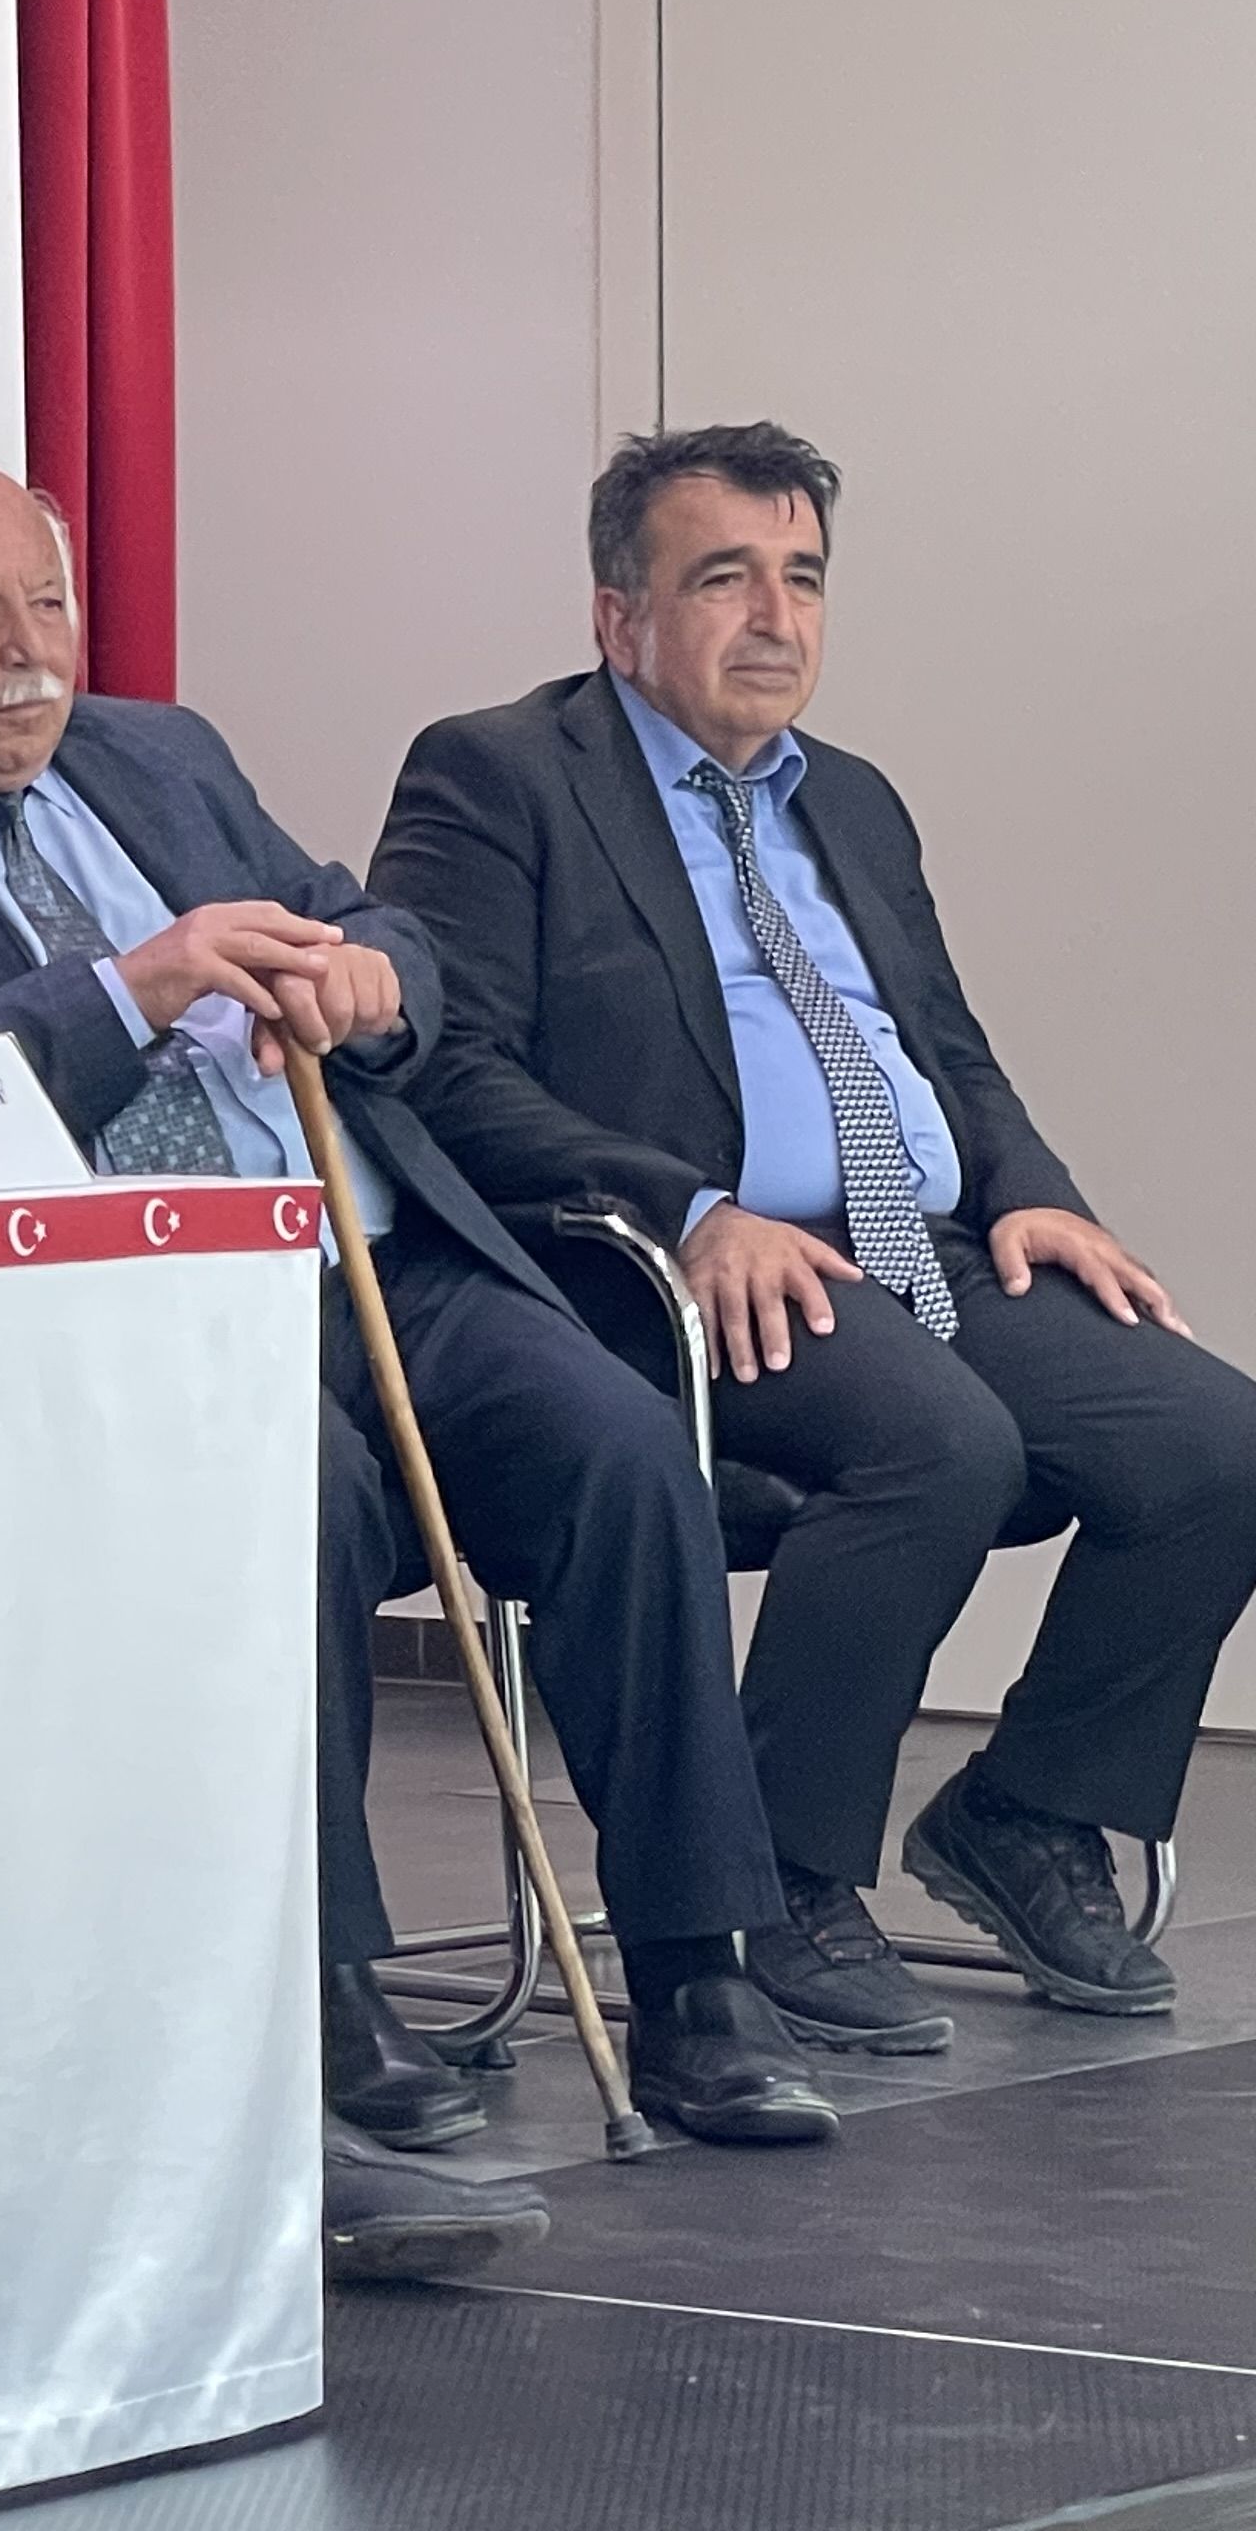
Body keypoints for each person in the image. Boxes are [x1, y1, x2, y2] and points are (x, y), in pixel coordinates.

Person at [0, 449, 831, 2232]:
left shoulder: (163, 760)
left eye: (49, 603)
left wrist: (371, 977)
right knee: (301, 1493)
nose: (30, 652)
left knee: (616, 1444)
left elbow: (377, 919)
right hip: (122, 1313)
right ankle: (326, 1994)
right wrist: (127, 991)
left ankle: (695, 1973)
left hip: (371, 1255)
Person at [375, 423, 1256, 2037]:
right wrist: (689, 1209)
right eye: (725, 578)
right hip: (667, 1271)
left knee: (1213, 1440)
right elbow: (449, 1067)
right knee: (942, 1444)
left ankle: (1028, 1813)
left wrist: (1035, 1189)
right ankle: (768, 1877)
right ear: (618, 613)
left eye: (803, 578)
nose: (776, 618)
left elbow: (944, 1045)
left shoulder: (848, 799)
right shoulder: (500, 777)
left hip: (912, 1245)